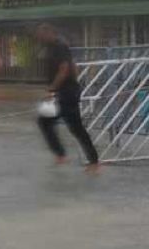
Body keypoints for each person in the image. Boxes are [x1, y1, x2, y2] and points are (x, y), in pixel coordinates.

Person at [34, 23, 100, 173]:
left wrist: (53, 88)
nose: (39, 38)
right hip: (64, 92)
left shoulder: (60, 46)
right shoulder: (52, 47)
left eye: (41, 34)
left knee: (75, 127)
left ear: (49, 32)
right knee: (47, 121)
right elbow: (74, 66)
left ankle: (93, 162)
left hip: (66, 93)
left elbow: (64, 70)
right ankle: (62, 154)